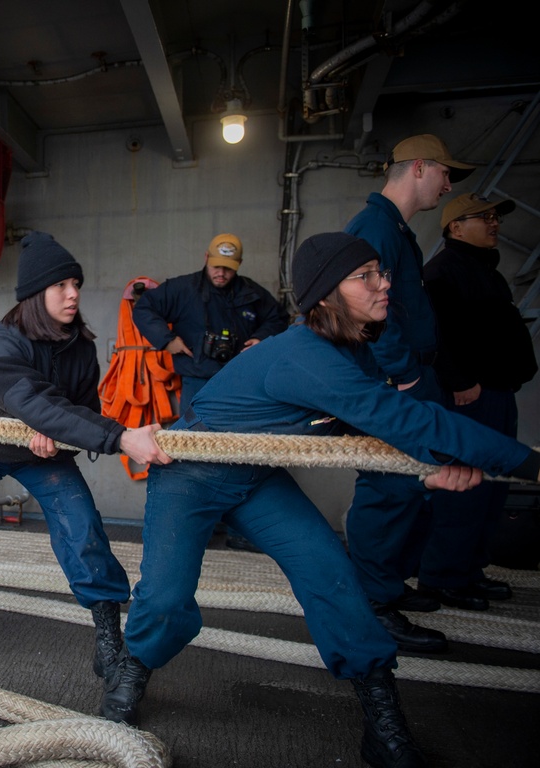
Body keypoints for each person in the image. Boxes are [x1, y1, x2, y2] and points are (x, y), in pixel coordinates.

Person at [100, 232, 540, 768]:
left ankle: (382, 726)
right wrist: (525, 462)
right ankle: (135, 664)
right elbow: (410, 419)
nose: (385, 284)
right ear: (328, 295)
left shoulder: (354, 353)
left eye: (382, 272)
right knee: (166, 602)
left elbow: (372, 441)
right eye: (367, 276)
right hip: (191, 475)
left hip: (256, 477)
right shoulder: (308, 357)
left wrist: (426, 474)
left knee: (334, 576)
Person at [0, 231, 171, 676]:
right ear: (35, 294)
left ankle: (109, 636)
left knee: (83, 529)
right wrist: (120, 436)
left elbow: (83, 411)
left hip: (41, 456)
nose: (73, 295)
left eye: (76, 285)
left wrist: (56, 431)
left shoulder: (81, 347)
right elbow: (31, 402)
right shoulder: (3, 343)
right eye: (61, 287)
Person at [343, 133, 475, 653]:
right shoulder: (375, 227)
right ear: (418, 167)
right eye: (446, 172)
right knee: (389, 489)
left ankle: (389, 588)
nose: (449, 183)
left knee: (412, 486)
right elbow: (369, 310)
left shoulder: (392, 228)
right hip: (399, 380)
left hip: (415, 374)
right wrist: (404, 375)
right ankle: (373, 604)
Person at [416, 193, 537, 610]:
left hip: (498, 392)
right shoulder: (442, 272)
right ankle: (442, 576)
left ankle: (469, 570)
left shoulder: (485, 270)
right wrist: (460, 381)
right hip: (471, 396)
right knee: (463, 489)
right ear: (455, 227)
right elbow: (435, 337)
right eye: (482, 217)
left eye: (494, 217)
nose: (494, 224)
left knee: (491, 489)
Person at [132, 233, 288, 414]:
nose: (221, 273)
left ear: (240, 263)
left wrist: (260, 338)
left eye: (228, 268)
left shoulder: (251, 292)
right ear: (206, 258)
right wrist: (167, 340)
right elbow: (143, 308)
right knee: (193, 437)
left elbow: (279, 318)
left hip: (241, 380)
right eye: (216, 266)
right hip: (197, 381)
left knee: (239, 437)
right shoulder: (183, 289)